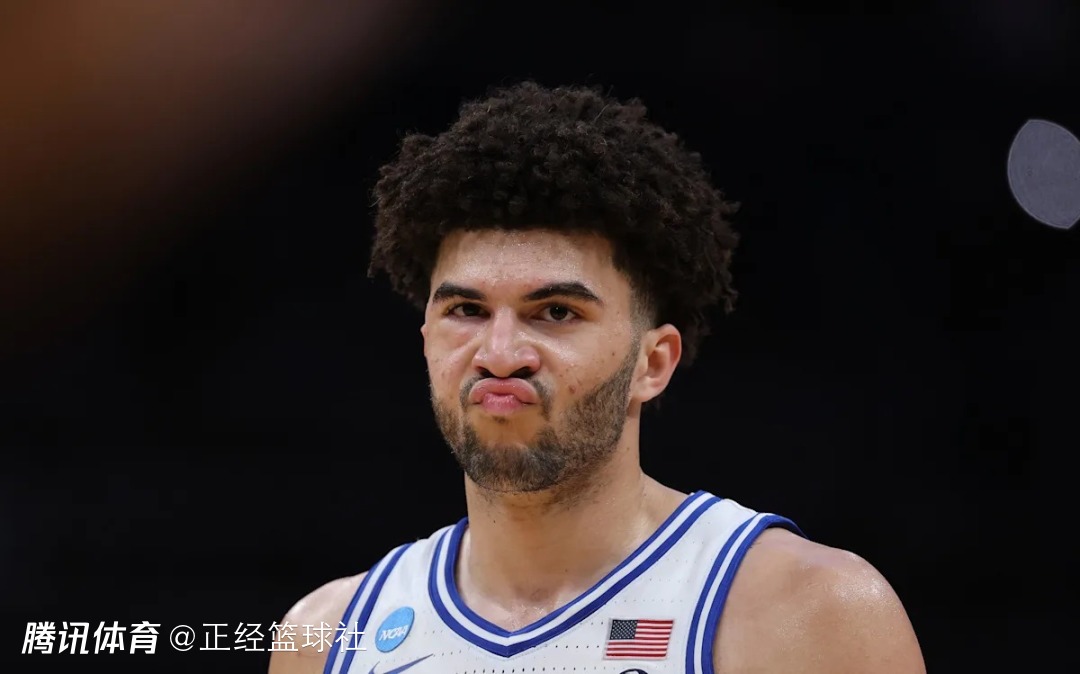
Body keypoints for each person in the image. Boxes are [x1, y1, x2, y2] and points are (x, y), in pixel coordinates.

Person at [268, 81, 925, 674]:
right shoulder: (324, 637)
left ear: (653, 363)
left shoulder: (808, 614)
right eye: (467, 310)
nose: (500, 353)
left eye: (556, 312)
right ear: (426, 341)